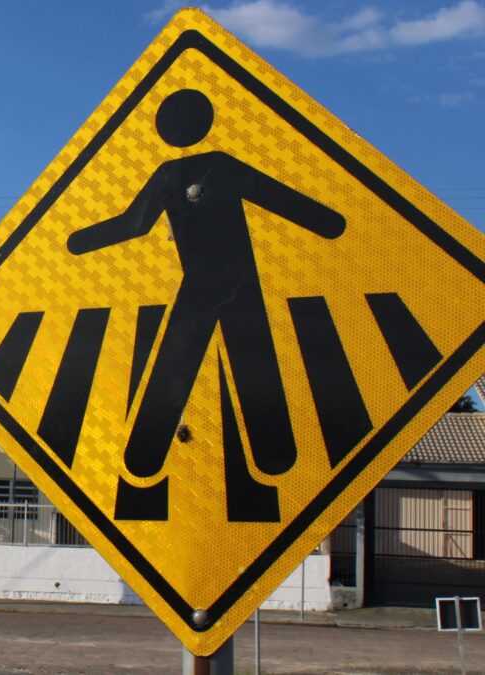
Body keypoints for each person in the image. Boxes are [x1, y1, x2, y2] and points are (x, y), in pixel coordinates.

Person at [68, 89, 345, 521]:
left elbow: (134, 225)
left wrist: (77, 241)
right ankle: (270, 456)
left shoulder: (187, 171)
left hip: (214, 284)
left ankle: (152, 458)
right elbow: (139, 224)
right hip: (229, 282)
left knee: (183, 368)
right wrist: (331, 224)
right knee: (246, 365)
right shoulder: (209, 168)